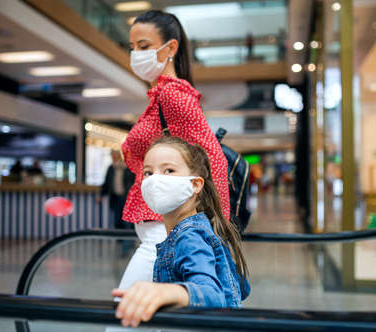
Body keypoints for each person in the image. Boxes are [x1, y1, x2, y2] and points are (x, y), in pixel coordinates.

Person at [119, 10, 231, 292]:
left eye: (143, 46)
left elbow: (212, 159)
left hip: (165, 233)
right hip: (160, 230)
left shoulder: (172, 95)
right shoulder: (160, 95)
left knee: (125, 312)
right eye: (132, 48)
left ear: (170, 47)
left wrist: (215, 229)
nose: (136, 55)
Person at [112, 137, 250, 327]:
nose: (155, 180)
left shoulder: (189, 236)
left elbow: (212, 294)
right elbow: (241, 288)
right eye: (148, 172)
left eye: (169, 170)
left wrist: (167, 292)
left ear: (195, 184)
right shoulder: (199, 226)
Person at [99, 150, 134, 230]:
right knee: (117, 220)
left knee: (127, 221)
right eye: (112, 155)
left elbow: (133, 182)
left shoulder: (128, 167)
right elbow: (106, 183)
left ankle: (128, 242)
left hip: (127, 198)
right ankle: (120, 241)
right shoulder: (111, 168)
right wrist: (101, 195)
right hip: (115, 197)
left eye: (114, 155)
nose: (113, 157)